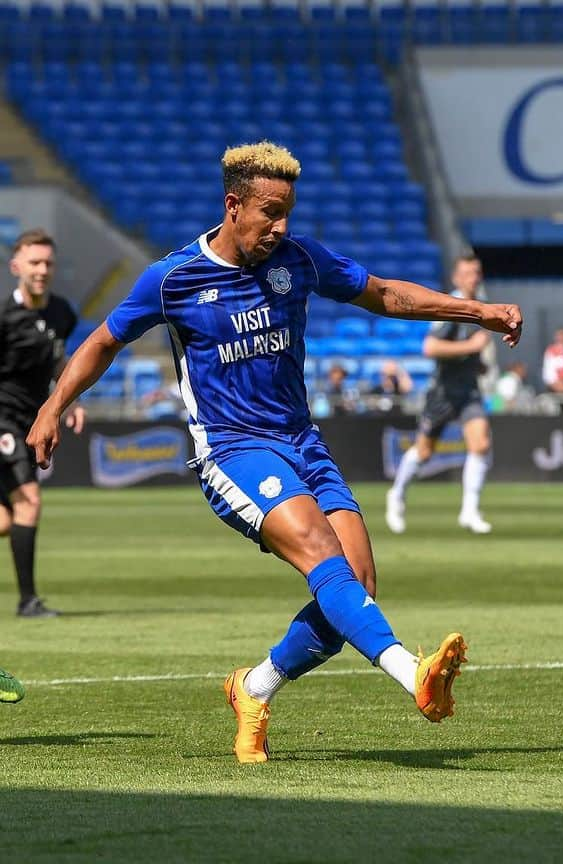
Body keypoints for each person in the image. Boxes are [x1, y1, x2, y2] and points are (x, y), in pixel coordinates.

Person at [26, 142, 523, 763]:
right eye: (269, 212)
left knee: (356, 585)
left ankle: (253, 688)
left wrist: (475, 311)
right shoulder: (175, 278)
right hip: (232, 452)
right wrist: (51, 406)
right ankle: (411, 674)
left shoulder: (300, 259)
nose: (280, 226)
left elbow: (385, 293)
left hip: (302, 441)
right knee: (321, 552)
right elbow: (103, 341)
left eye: (287, 211)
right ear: (233, 206)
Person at [1, 228, 84, 618]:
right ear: (16, 265)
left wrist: (69, 400)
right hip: (3, 420)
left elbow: (58, 360)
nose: (42, 269)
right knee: (29, 501)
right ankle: (28, 602)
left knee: (6, 520)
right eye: (34, 262)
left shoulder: (62, 313)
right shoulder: (4, 316)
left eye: (48, 263)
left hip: (30, 421)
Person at [385, 254, 498, 535]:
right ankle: (396, 496)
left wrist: (478, 363)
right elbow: (431, 348)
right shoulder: (454, 307)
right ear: (457, 278)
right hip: (443, 392)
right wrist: (471, 348)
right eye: (468, 273)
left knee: (481, 443)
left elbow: (469, 351)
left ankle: (470, 510)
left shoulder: (478, 309)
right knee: (424, 452)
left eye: (477, 272)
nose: (474, 277)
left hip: (468, 389)